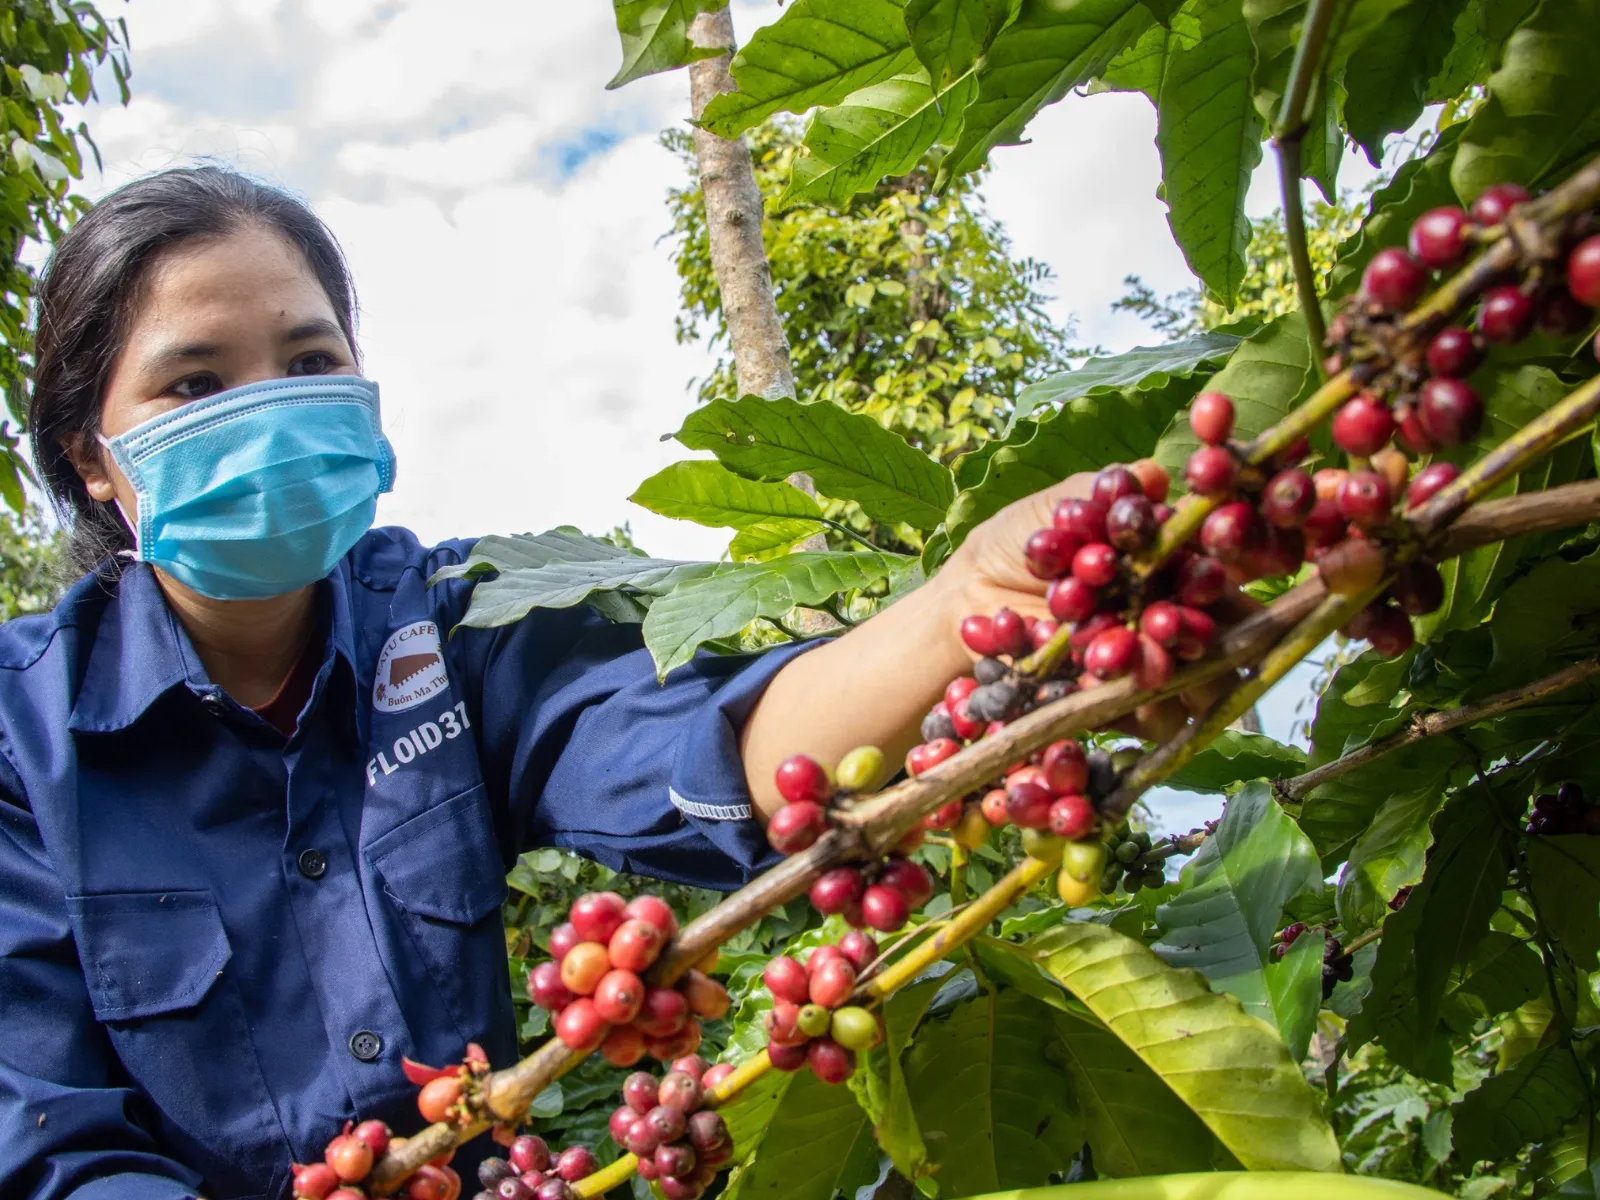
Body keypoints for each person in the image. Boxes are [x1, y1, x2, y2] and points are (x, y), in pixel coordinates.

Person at [0, 167, 1183, 1200]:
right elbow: (45, 1141)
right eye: (194, 387)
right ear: (89, 456)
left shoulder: (457, 625)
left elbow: (712, 748)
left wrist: (963, 604)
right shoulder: (21, 741)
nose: (266, 408)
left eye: (309, 361)